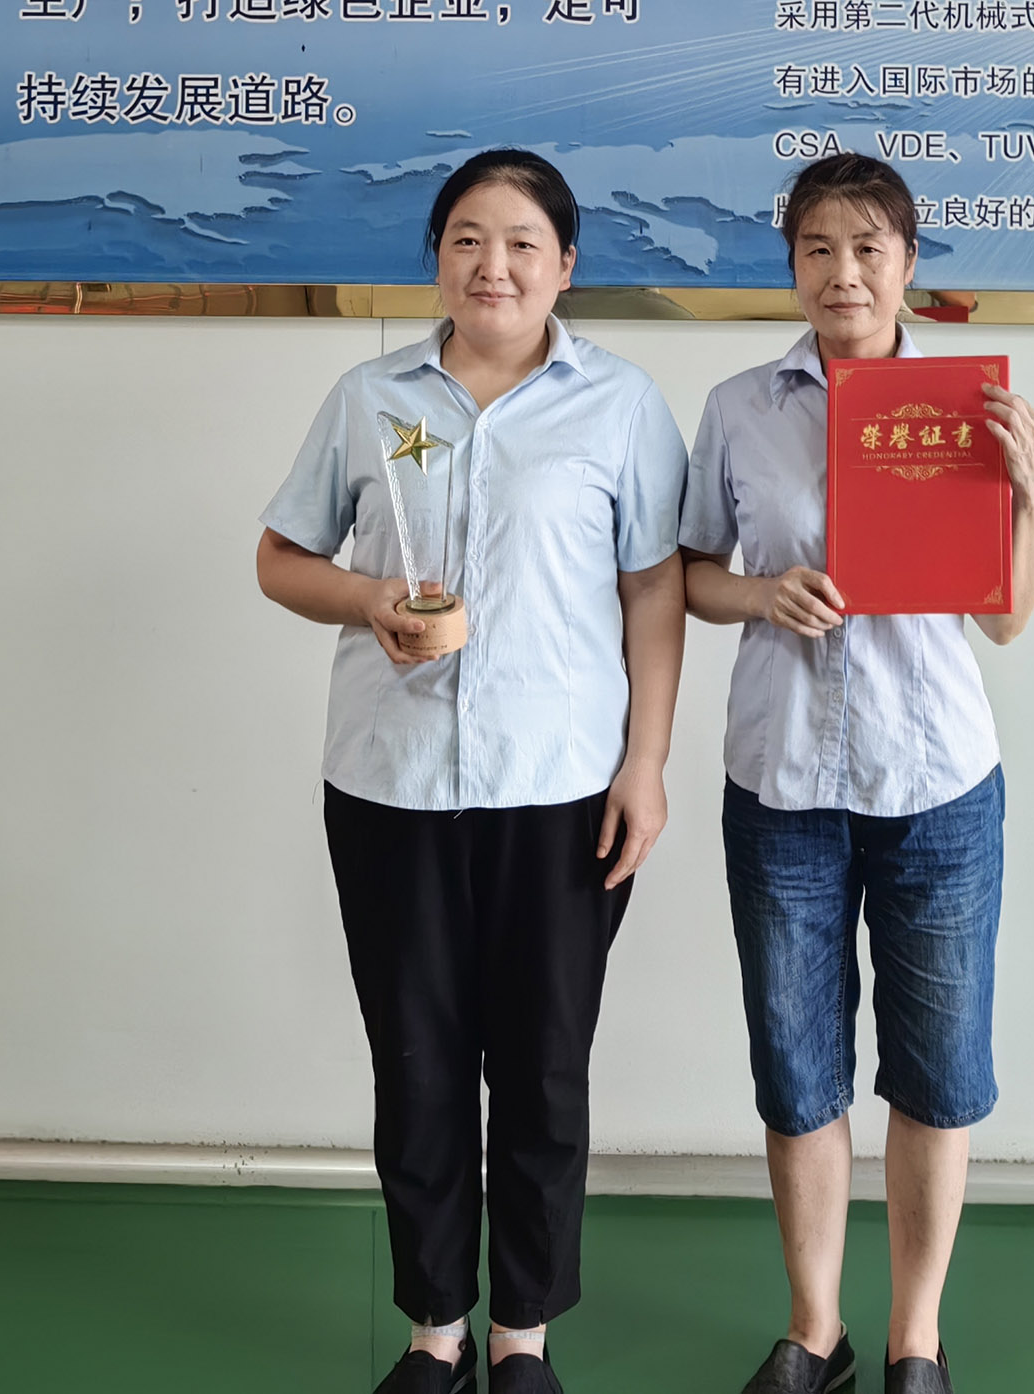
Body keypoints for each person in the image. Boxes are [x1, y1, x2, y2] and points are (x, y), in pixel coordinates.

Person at [256, 149, 688, 1394]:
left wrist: (646, 762)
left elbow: (652, 589)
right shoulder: (368, 395)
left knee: (543, 1066)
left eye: (519, 243)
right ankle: (436, 1329)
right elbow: (281, 558)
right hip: (389, 784)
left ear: (564, 264)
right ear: (436, 258)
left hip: (560, 787)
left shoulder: (620, 404)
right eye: (465, 240)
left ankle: (522, 1336)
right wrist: (367, 597)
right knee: (418, 1058)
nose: (491, 265)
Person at [678, 153, 1034, 1394]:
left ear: (906, 262)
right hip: (781, 781)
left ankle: (915, 1337)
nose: (842, 272)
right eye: (817, 249)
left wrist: (1029, 498)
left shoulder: (962, 408)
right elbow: (689, 574)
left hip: (934, 782)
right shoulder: (739, 407)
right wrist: (760, 595)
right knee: (798, 1072)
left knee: (936, 1073)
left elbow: (1004, 618)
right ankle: (814, 1329)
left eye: (867, 248)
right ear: (791, 264)